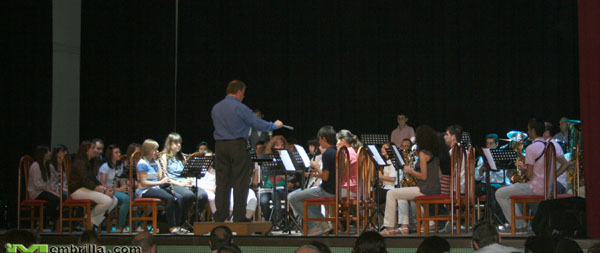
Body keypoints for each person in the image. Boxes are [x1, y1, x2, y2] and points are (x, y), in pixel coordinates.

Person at [211, 80, 283, 222]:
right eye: (243, 93)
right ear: (239, 92)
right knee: (240, 182)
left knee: (222, 182)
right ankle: (239, 216)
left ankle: (220, 215)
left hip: (219, 146)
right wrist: (274, 125)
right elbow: (257, 123)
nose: (243, 96)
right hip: (237, 146)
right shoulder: (240, 108)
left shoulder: (216, 108)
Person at [496, 118, 573, 233]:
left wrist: (523, 169)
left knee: (500, 193)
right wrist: (552, 176)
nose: (528, 132)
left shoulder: (532, 148)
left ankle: (519, 225)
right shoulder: (551, 146)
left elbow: (530, 175)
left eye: (528, 130)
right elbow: (565, 164)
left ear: (532, 131)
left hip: (535, 188)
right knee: (515, 189)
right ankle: (521, 223)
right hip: (548, 187)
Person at [380, 125, 441, 236]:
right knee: (401, 195)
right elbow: (439, 175)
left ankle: (389, 227)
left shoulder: (423, 153)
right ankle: (404, 226)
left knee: (391, 193)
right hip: (434, 188)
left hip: (425, 189)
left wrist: (410, 171)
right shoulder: (433, 153)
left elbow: (423, 176)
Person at [288, 126, 337, 236]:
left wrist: (316, 167)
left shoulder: (328, 153)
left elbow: (325, 177)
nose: (319, 143)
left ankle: (317, 224)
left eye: (319, 140)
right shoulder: (337, 151)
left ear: (324, 139)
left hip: (327, 190)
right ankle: (321, 223)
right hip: (336, 189)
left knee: (293, 198)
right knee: (304, 196)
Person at [136, 139, 185, 234]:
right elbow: (143, 183)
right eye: (154, 149)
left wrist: (163, 174)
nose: (157, 152)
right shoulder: (142, 163)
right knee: (169, 198)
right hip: (144, 190)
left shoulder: (154, 162)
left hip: (155, 188)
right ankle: (172, 227)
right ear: (148, 150)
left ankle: (178, 225)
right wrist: (160, 182)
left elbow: (158, 178)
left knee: (179, 197)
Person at [69, 141, 118, 231]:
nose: (94, 150)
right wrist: (102, 190)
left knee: (114, 200)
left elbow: (93, 180)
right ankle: (87, 219)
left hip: (86, 189)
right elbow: (85, 181)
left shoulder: (89, 162)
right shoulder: (80, 162)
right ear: (86, 150)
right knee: (107, 201)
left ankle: (90, 221)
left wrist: (104, 188)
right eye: (92, 148)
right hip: (77, 190)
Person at [160, 133, 208, 223]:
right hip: (173, 184)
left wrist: (189, 179)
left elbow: (188, 171)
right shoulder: (164, 157)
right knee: (188, 195)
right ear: (169, 144)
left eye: (180, 143)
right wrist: (181, 184)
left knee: (203, 195)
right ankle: (182, 221)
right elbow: (164, 177)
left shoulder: (182, 156)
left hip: (184, 183)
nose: (178, 145)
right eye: (176, 143)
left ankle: (193, 219)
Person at [98, 144, 131, 232]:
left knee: (132, 196)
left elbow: (119, 180)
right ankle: (120, 227)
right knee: (126, 199)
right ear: (110, 155)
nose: (119, 154)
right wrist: (118, 189)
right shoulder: (105, 167)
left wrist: (125, 186)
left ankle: (135, 225)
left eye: (119, 152)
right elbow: (102, 184)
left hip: (115, 190)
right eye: (116, 152)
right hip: (105, 191)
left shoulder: (119, 166)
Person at [27, 145, 60, 229]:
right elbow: (37, 184)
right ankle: (50, 219)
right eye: (47, 152)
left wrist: (52, 189)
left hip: (43, 190)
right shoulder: (36, 166)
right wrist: (50, 191)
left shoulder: (45, 166)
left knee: (58, 199)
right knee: (56, 199)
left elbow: (47, 182)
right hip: (36, 192)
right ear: (43, 154)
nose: (50, 153)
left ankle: (46, 220)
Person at [258, 135, 288, 224]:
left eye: (282, 145)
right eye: (278, 145)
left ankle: (278, 222)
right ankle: (269, 222)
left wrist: (285, 177)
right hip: (267, 187)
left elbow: (292, 175)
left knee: (276, 196)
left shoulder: (286, 159)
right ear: (273, 146)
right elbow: (264, 172)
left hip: (280, 188)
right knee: (263, 201)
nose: (280, 147)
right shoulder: (267, 158)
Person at [337, 129, 360, 195]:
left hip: (348, 189)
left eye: (337, 140)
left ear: (343, 141)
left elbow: (340, 172)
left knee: (328, 193)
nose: (336, 144)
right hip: (356, 188)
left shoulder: (345, 152)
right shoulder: (353, 150)